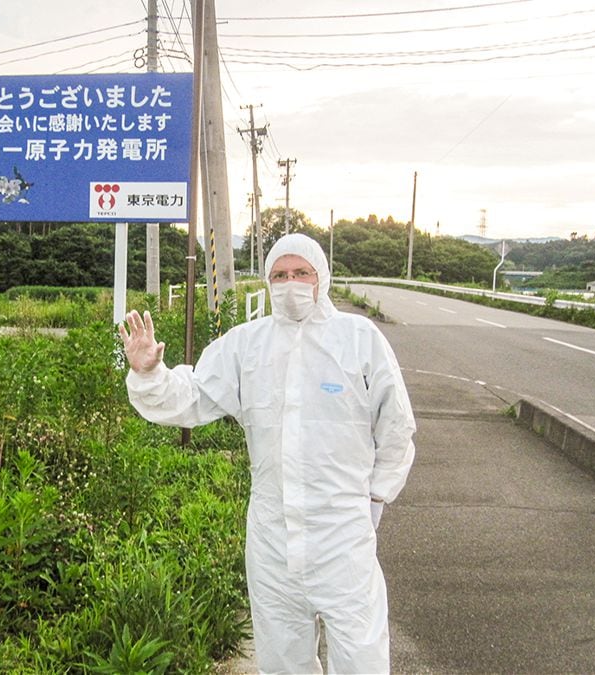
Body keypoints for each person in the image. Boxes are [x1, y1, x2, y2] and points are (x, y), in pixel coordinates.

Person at [118, 233, 416, 674]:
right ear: (267, 281)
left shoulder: (358, 339)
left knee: (361, 658)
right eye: (279, 275)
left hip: (343, 535)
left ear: (321, 277)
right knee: (281, 660)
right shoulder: (247, 345)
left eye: (301, 273)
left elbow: (396, 425)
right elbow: (195, 395)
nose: (290, 283)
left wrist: (375, 497)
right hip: (272, 538)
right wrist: (150, 374)